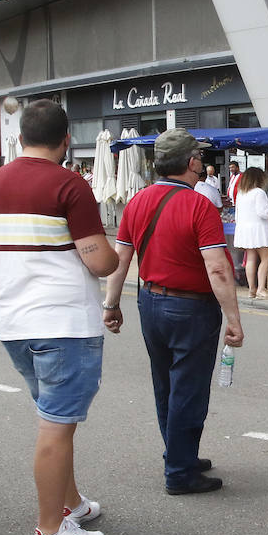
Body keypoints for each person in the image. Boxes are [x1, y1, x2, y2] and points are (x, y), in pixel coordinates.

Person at [0, 100, 118, 535]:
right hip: (62, 322)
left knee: (54, 419)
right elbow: (100, 260)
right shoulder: (69, 184)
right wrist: (114, 253)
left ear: (20, 137)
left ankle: (72, 503)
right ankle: (50, 530)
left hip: (14, 321)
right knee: (57, 426)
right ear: (66, 140)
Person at [103, 128, 244, 495]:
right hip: (191, 307)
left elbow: (122, 260)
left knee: (165, 385)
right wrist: (234, 319)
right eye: (198, 159)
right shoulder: (200, 206)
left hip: (150, 302)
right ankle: (180, 472)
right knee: (189, 390)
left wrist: (111, 303)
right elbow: (217, 268)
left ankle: (178, 454)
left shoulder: (137, 202)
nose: (201, 165)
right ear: (191, 163)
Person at [234, 167, 268, 299]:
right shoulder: (259, 192)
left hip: (244, 229)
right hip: (259, 229)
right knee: (266, 258)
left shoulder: (241, 192)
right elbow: (263, 213)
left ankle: (252, 289)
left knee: (250, 259)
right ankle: (261, 289)